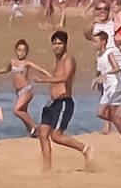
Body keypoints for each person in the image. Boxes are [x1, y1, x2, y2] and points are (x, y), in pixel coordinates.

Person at [34, 31, 93, 171]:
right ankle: (47, 167)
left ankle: (85, 149)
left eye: (60, 43)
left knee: (56, 136)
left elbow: (65, 78)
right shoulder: (56, 61)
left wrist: (44, 80)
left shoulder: (69, 60)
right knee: (42, 134)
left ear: (65, 45)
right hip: (52, 103)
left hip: (64, 102)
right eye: (54, 43)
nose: (57, 46)